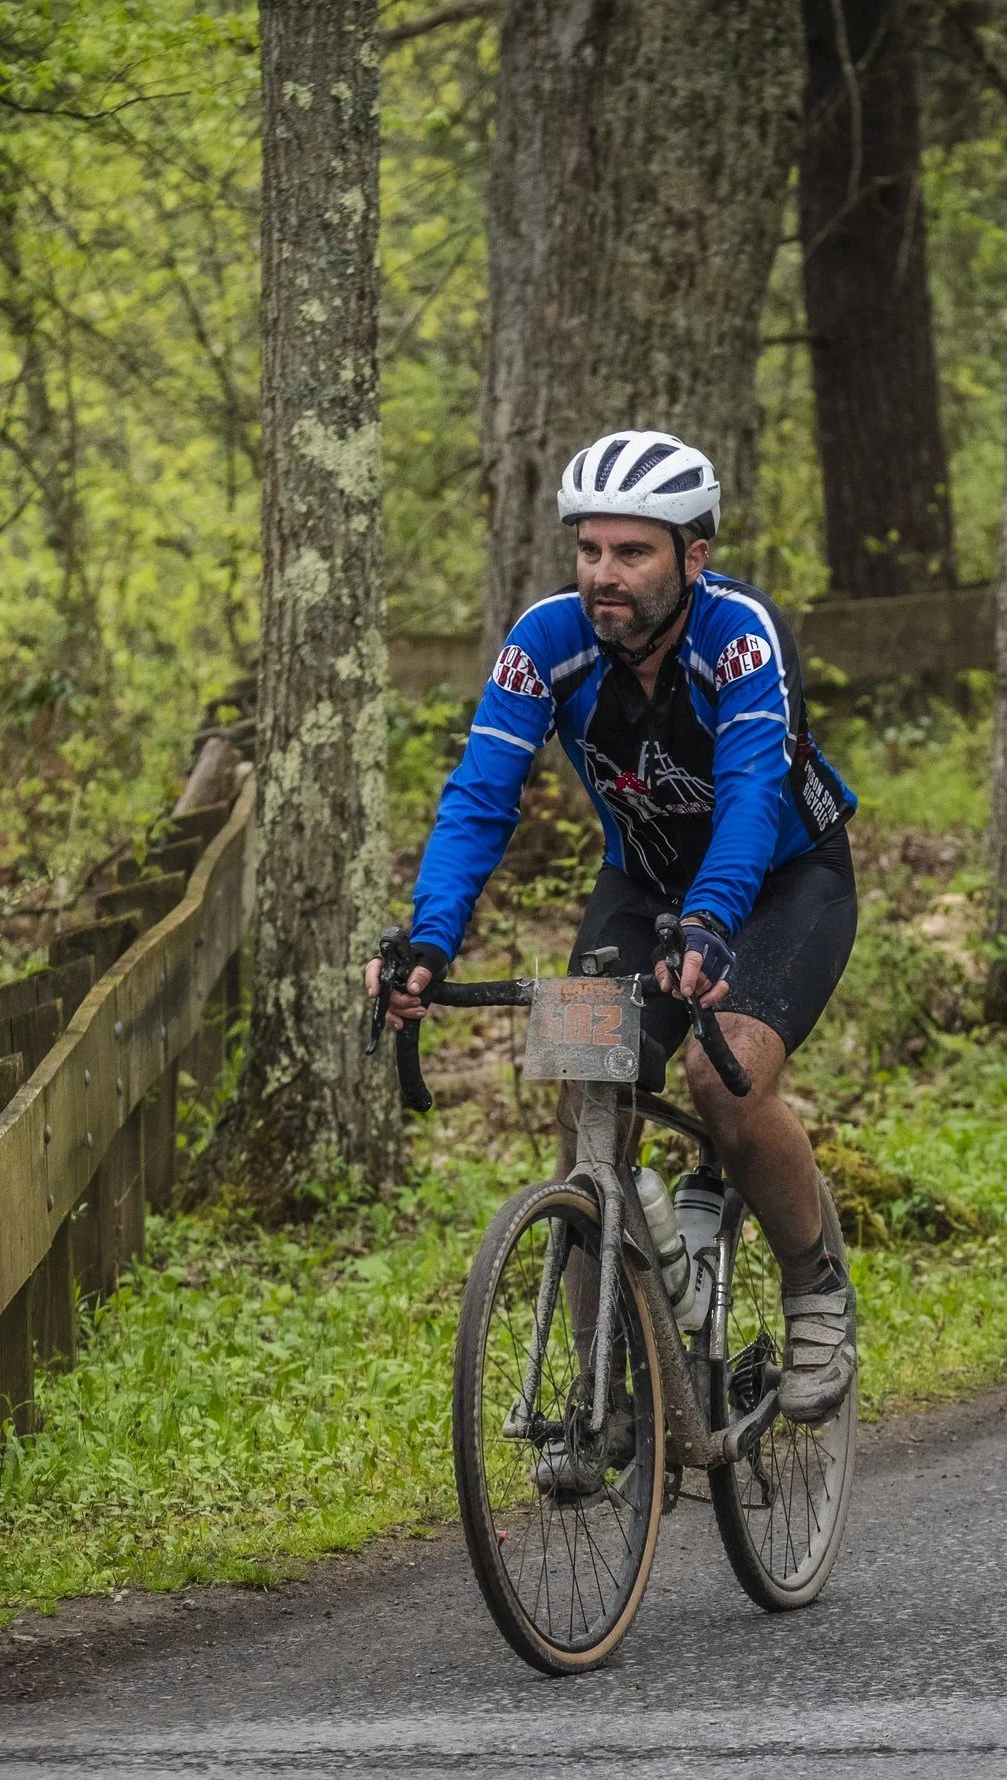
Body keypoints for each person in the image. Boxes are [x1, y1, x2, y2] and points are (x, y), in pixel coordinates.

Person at [365, 428, 861, 1424]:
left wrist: (713, 928)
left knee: (723, 1082)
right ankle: (613, 1395)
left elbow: (754, 797)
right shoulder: (543, 642)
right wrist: (426, 943)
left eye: (631, 552)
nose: (604, 575)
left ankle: (815, 1288)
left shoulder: (743, 638)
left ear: (692, 557)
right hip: (639, 885)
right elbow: (478, 800)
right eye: (590, 550)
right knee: (586, 1095)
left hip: (780, 881)